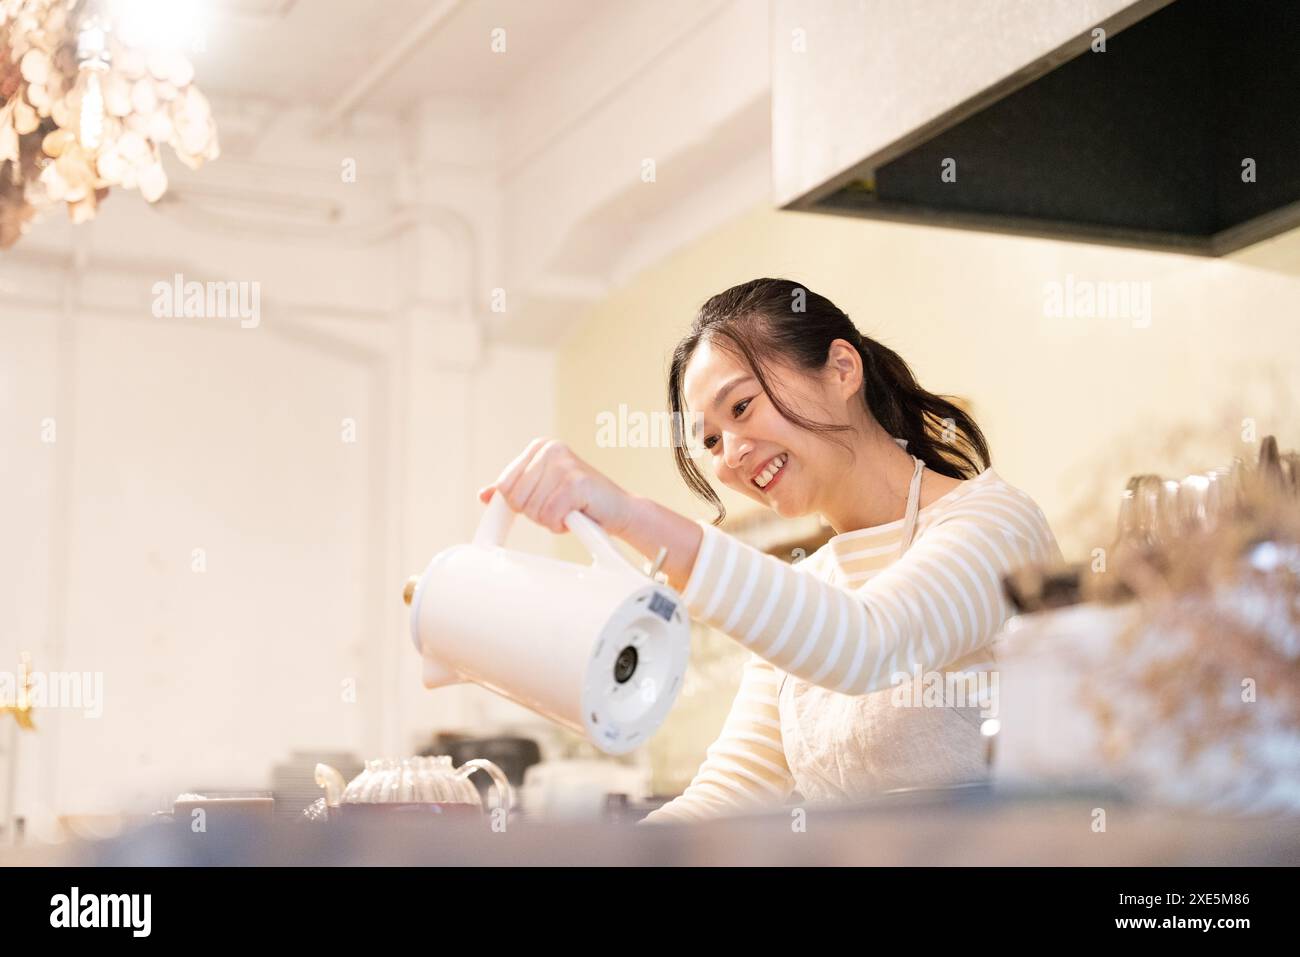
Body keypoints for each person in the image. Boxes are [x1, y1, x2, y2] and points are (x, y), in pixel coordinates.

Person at [477, 278, 1063, 824]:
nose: (728, 453)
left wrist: (629, 515)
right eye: (708, 440)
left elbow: (869, 645)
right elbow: (733, 789)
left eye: (740, 407)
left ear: (841, 369)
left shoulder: (996, 525)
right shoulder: (813, 589)